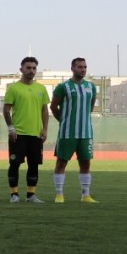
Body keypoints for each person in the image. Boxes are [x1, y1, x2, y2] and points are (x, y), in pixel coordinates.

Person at [50, 56, 99, 203]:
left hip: (86, 133)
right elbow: (53, 106)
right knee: (61, 162)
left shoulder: (91, 87)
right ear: (72, 68)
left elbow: (90, 107)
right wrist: (63, 121)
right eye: (80, 67)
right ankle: (59, 195)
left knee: (85, 163)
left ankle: (85, 195)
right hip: (67, 133)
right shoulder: (63, 87)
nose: (83, 69)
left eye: (85, 67)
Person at [2, 56, 50, 203]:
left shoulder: (41, 89)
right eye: (28, 68)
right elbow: (6, 110)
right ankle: (14, 194)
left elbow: (45, 110)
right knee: (15, 163)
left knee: (34, 164)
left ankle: (31, 195)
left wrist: (45, 129)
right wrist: (11, 128)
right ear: (21, 69)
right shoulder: (14, 88)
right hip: (18, 134)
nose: (31, 71)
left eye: (34, 68)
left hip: (35, 134)